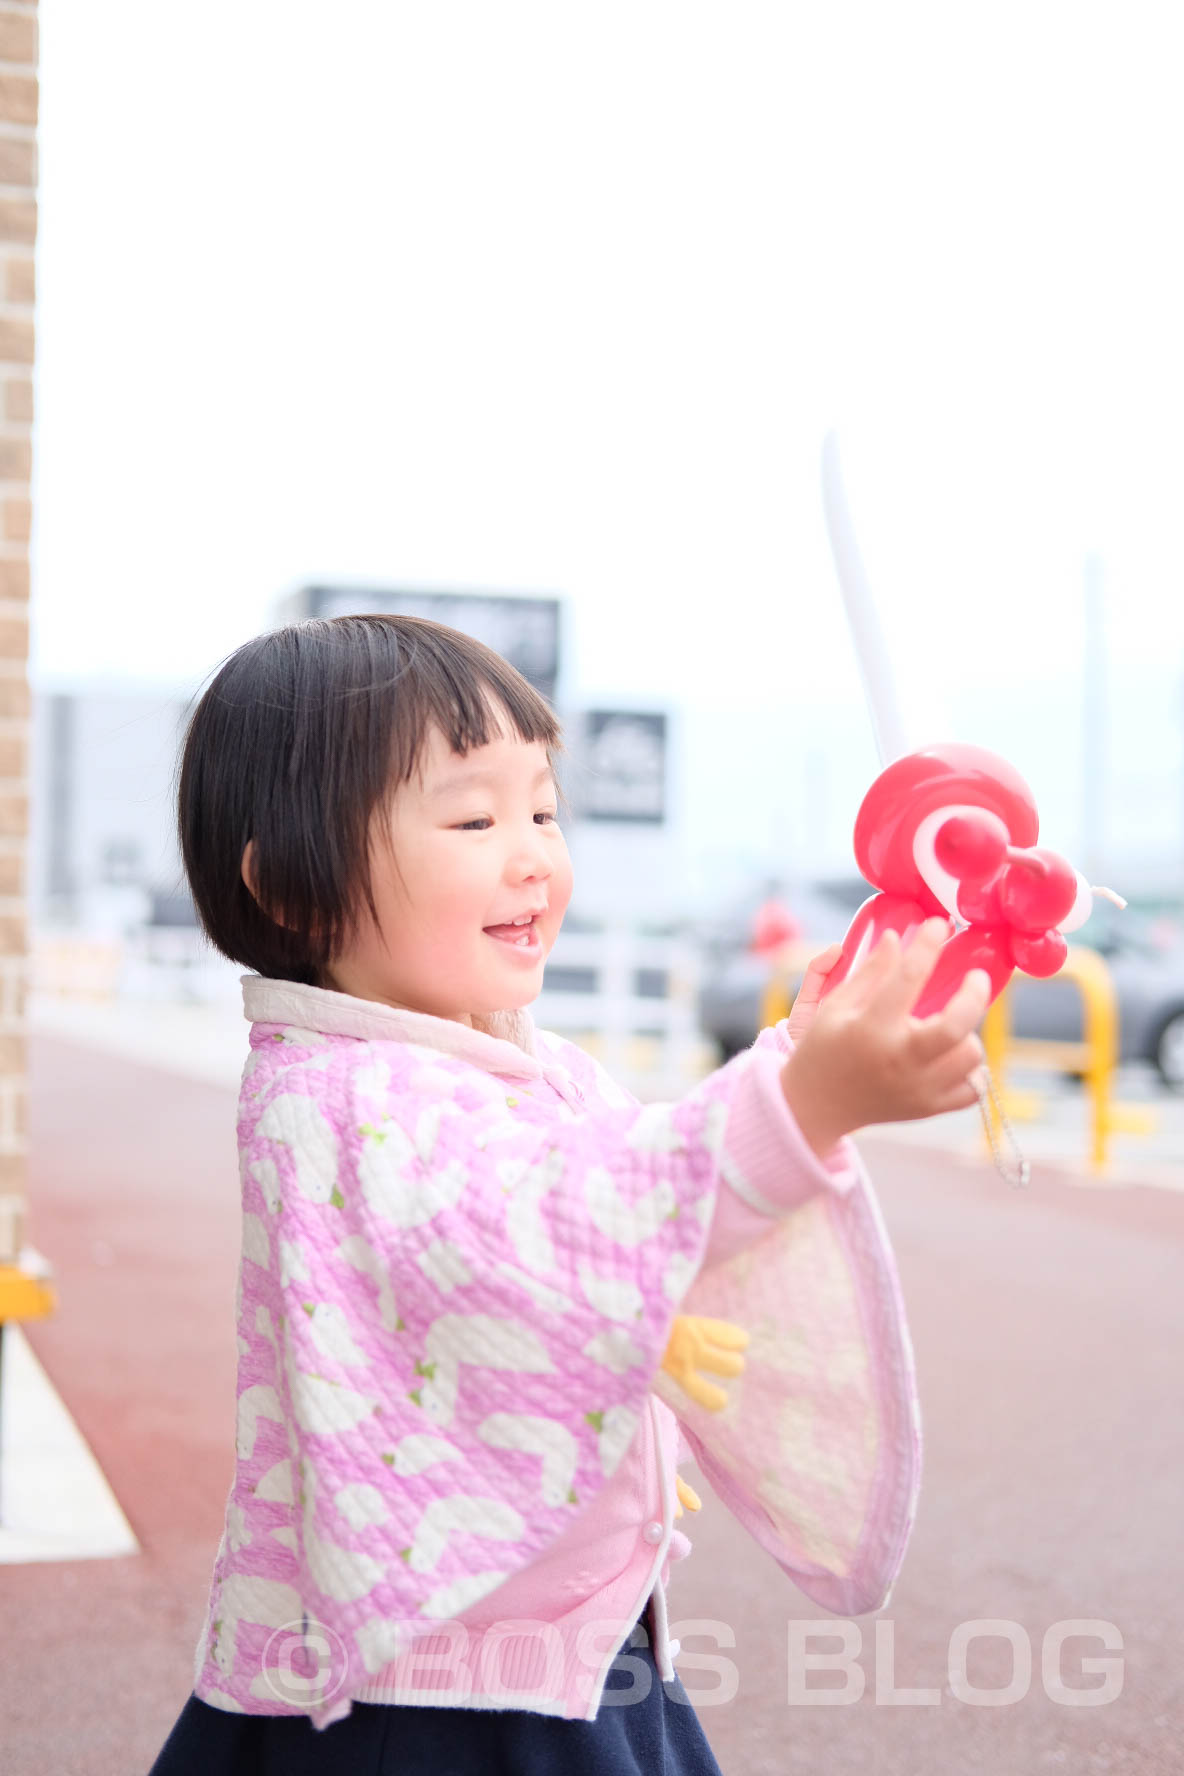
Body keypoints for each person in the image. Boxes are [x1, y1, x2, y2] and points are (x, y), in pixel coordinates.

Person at [147, 614, 990, 1775]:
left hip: (559, 1638)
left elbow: (641, 1165)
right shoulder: (338, 1099)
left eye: (542, 809)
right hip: (426, 1691)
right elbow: (559, 1218)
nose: (532, 853)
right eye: (473, 817)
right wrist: (808, 1108)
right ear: (289, 888)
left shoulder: (500, 1062)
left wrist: (803, 1050)